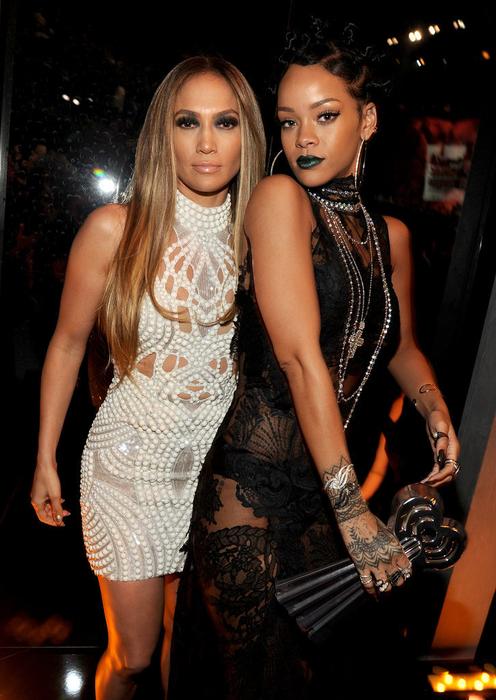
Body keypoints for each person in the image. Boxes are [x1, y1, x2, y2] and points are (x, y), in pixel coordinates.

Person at [167, 24, 461, 700]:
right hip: (255, 492)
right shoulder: (280, 201)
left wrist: (433, 406)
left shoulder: (391, 236)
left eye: (324, 116)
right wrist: (353, 510)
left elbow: (401, 346)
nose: (303, 137)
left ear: (368, 120)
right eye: (288, 120)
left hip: (327, 494)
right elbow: (301, 359)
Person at [30, 55, 265, 699]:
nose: (207, 142)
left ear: (248, 134)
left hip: (215, 477)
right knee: (133, 655)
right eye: (189, 122)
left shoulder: (258, 238)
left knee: (186, 646)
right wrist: (45, 458)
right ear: (165, 133)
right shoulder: (116, 229)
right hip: (129, 472)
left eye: (225, 122)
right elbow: (67, 344)